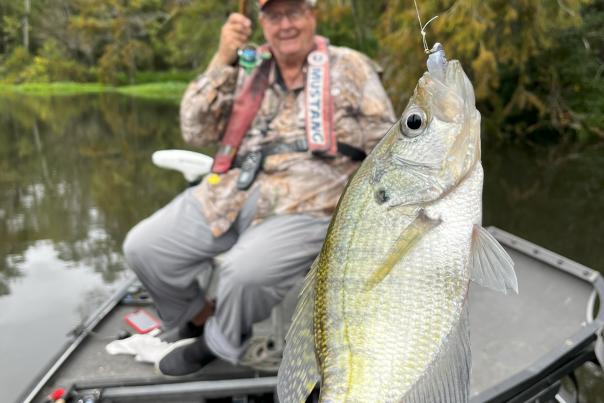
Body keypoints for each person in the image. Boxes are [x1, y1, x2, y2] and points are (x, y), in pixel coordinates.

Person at [122, 0, 395, 377]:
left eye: (294, 13)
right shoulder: (248, 65)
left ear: (312, 16)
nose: (285, 25)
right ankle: (202, 318)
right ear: (262, 23)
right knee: (144, 248)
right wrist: (222, 57)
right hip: (233, 190)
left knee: (243, 273)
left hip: (311, 200)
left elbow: (388, 147)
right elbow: (194, 128)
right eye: (275, 16)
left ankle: (219, 344)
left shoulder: (350, 65)